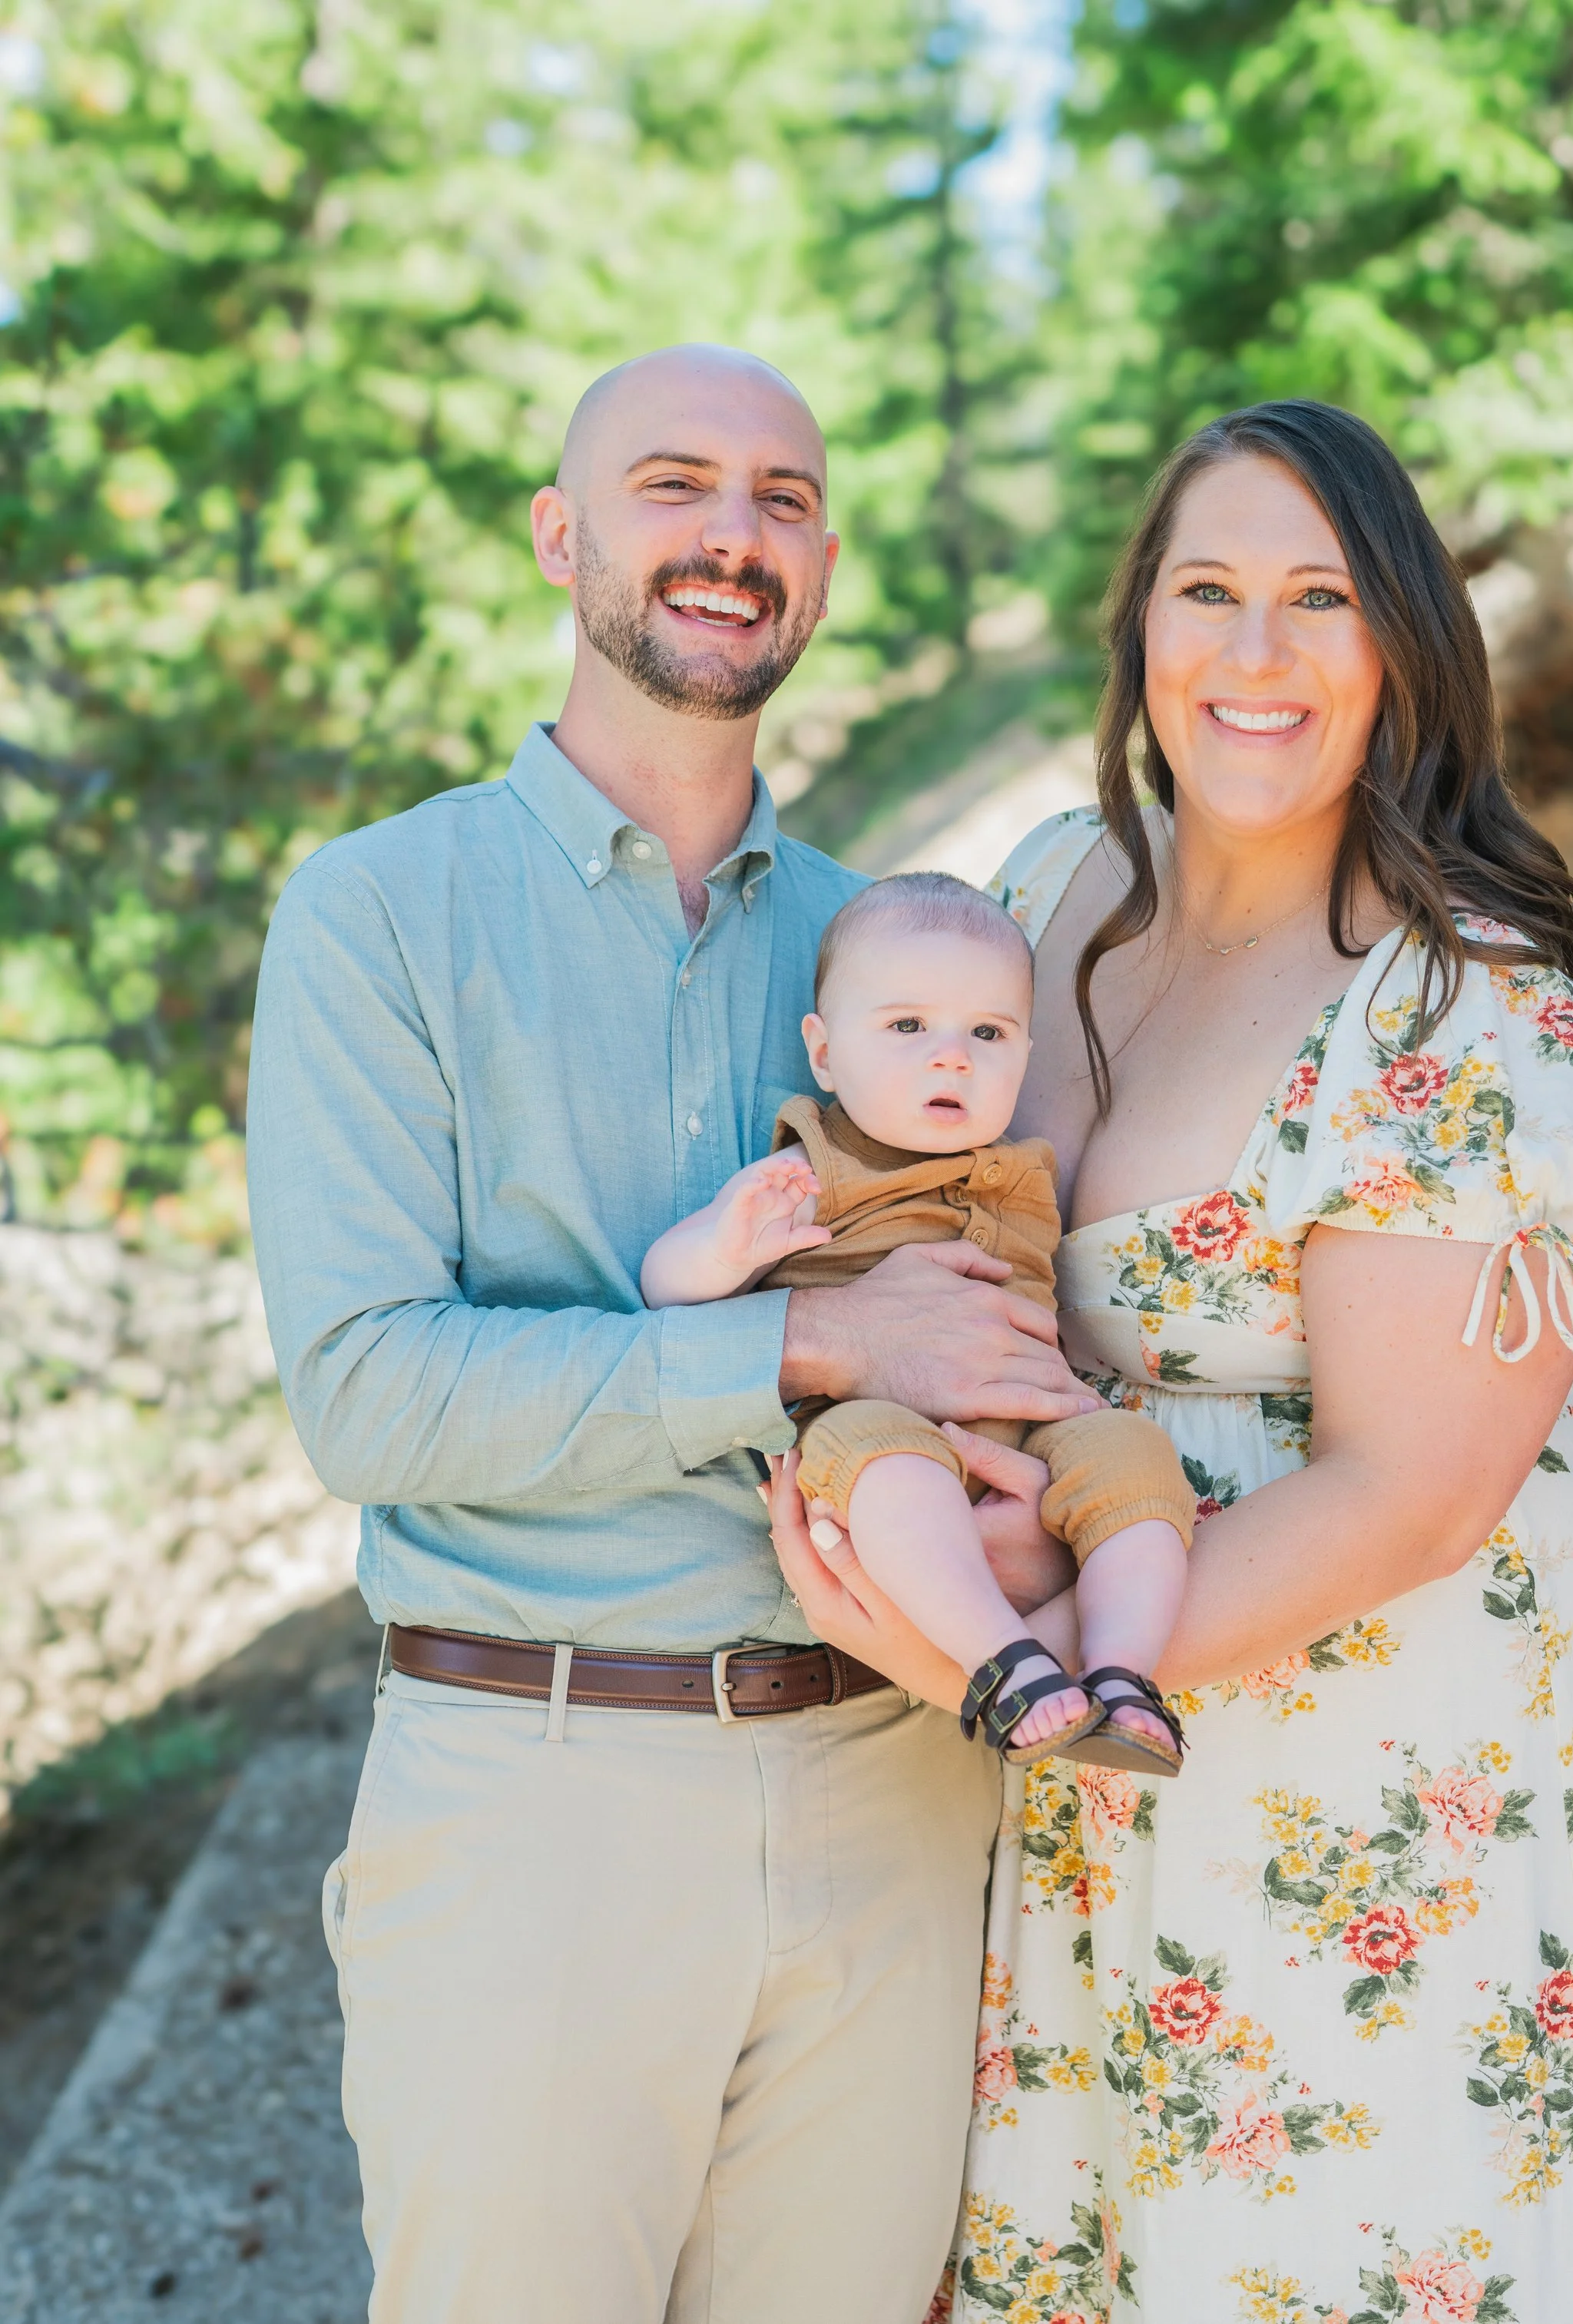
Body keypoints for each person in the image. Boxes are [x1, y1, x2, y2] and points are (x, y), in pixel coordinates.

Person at [768, 399, 1573, 2322]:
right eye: (1206, 591)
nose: (1253, 652)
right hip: (1105, 1735)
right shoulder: (1047, 897)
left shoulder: (1455, 1006)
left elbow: (1413, 1493)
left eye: (1319, 599)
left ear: (1403, 646)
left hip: (1370, 1761)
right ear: (1139, 629)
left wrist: (993, 1658)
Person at [245, 343, 1105, 2324]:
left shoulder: (899, 953)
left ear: (823, 570)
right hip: (541, 1791)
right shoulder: (381, 913)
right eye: (673, 486)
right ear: (562, 538)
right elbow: (368, 1393)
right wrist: (804, 1352)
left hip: (897, 1780)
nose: (734, 533)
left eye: (783, 500)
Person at [641, 870, 1195, 1773]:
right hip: (876, 1429)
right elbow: (664, 1287)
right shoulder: (814, 1166)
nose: (952, 1057)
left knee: (1132, 1453)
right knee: (885, 1463)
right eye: (907, 1026)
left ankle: (1123, 1674)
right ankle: (1005, 1663)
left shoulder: (1023, 1168)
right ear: (825, 1054)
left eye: (987, 1032)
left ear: (1024, 1053)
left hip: (1035, 1427)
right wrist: (725, 1245)